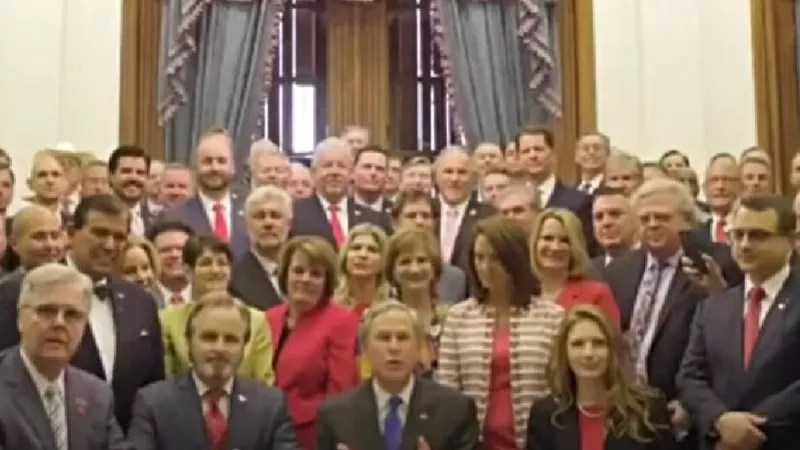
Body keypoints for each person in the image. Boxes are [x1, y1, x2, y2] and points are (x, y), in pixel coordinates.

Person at [678, 196, 800, 450]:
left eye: (758, 235)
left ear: (791, 240)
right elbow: (690, 377)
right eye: (738, 234)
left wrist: (750, 427)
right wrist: (720, 420)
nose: (744, 245)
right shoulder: (713, 306)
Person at [438, 216, 564, 449]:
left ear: (514, 259)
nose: (485, 267)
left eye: (495, 258)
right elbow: (448, 389)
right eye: (479, 257)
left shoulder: (552, 317)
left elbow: (560, 388)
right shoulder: (458, 317)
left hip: (537, 441)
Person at [128, 292, 300, 450]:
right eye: (209, 337)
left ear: (244, 347)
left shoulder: (271, 406)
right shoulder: (153, 404)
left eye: (231, 340)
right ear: (189, 342)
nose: (219, 348)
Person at [316, 302, 481, 450]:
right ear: (365, 348)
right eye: (384, 338)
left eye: (403, 337)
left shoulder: (455, 410)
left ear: (419, 347)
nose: (394, 347)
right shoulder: (335, 415)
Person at [0, 263, 127, 449]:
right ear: (20, 318)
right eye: (46, 311)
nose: (59, 323)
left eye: (72, 315)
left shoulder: (96, 395)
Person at [66, 195, 164, 431]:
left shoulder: (141, 302)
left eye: (119, 237)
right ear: (71, 233)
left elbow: (153, 389)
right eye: (100, 233)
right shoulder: (32, 292)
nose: (110, 245)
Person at [526, 305, 675, 450]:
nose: (588, 353)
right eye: (578, 344)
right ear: (565, 353)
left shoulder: (649, 409)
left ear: (612, 350)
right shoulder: (544, 415)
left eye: (598, 343)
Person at [266, 236, 359, 449]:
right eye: (298, 270)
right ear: (285, 274)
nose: (305, 279)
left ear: (327, 282)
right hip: (264, 430)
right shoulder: (268, 317)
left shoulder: (341, 320)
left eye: (316, 274)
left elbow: (340, 391)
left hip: (311, 434)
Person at [160, 235, 273, 384]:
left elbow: (264, 381)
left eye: (222, 263)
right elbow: (166, 378)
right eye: (206, 263)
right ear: (188, 271)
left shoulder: (256, 320)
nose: (215, 270)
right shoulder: (168, 320)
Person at [159, 127, 250, 258]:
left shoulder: (251, 214)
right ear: (195, 167)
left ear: (233, 167)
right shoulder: (173, 217)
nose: (215, 168)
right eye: (207, 161)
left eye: (221, 161)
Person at [291, 138, 389, 249]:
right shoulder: (294, 213)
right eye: (328, 165)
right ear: (313, 173)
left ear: (351, 173)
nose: (335, 172)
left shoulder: (373, 219)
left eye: (341, 166)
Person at [530, 208, 620, 325]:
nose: (555, 247)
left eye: (565, 240)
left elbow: (611, 335)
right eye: (548, 238)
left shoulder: (597, 294)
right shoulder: (520, 295)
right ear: (534, 243)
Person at [385, 228, 450, 376]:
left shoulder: (453, 318)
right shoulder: (378, 321)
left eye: (422, 260)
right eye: (405, 262)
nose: (414, 269)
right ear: (392, 270)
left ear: (434, 267)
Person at [230, 186, 290, 309]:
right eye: (260, 216)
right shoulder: (233, 278)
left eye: (275, 216)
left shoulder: (306, 271)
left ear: (289, 224)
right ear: (246, 225)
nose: (268, 223)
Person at [335, 223, 391, 317]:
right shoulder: (329, 307)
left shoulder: (392, 309)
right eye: (356, 248)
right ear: (345, 257)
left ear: (383, 260)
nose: (363, 254)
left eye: (372, 250)